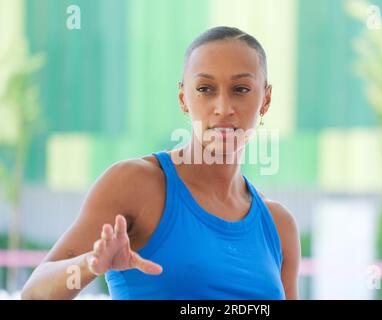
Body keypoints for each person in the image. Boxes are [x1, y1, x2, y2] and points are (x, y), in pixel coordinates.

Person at [21, 26, 300, 300]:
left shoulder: (279, 225)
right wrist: (90, 264)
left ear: (266, 99)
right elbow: (34, 294)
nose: (223, 107)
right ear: (183, 98)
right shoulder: (134, 185)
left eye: (240, 89)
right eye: (205, 88)